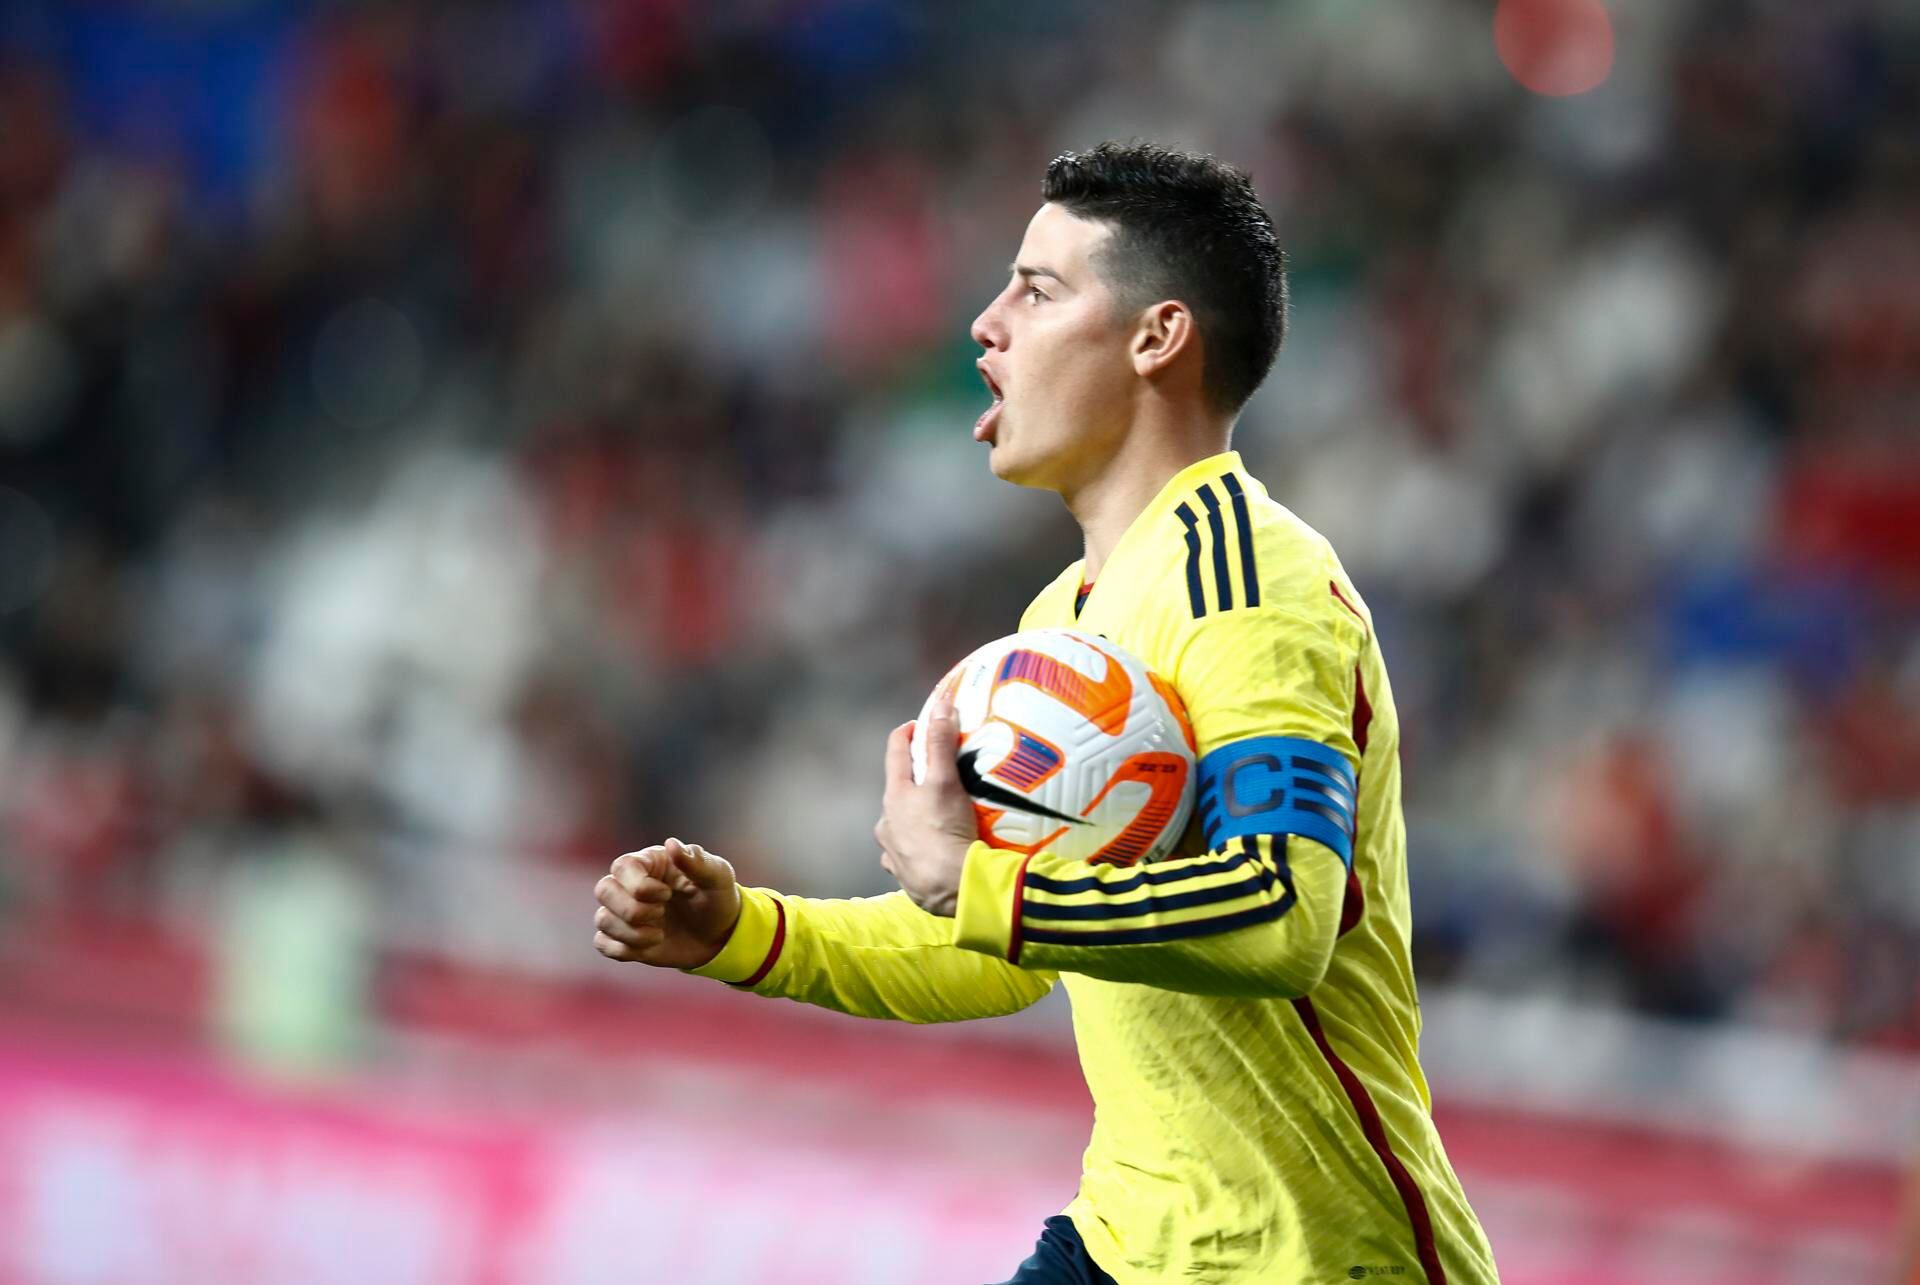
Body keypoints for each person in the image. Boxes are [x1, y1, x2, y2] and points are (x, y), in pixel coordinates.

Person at [593, 141, 1500, 1284]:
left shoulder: (1249, 583)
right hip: (1129, 1242)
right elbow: (1010, 946)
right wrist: (748, 935)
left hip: (1317, 1259)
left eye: (1036, 288)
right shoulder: (1063, 621)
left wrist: (977, 883)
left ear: (1157, 337)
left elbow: (1280, 905)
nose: (985, 323)